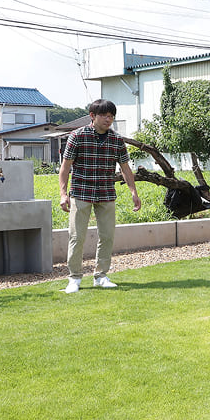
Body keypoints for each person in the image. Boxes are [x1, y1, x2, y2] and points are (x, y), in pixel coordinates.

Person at [59, 99, 141, 293]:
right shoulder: (77, 136)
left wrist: (133, 192)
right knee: (77, 237)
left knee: (107, 236)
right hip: (81, 193)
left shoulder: (116, 140)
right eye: (104, 115)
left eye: (111, 116)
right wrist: (63, 194)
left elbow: (125, 169)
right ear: (92, 116)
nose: (108, 119)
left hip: (106, 193)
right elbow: (65, 168)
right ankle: (74, 278)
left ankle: (101, 276)